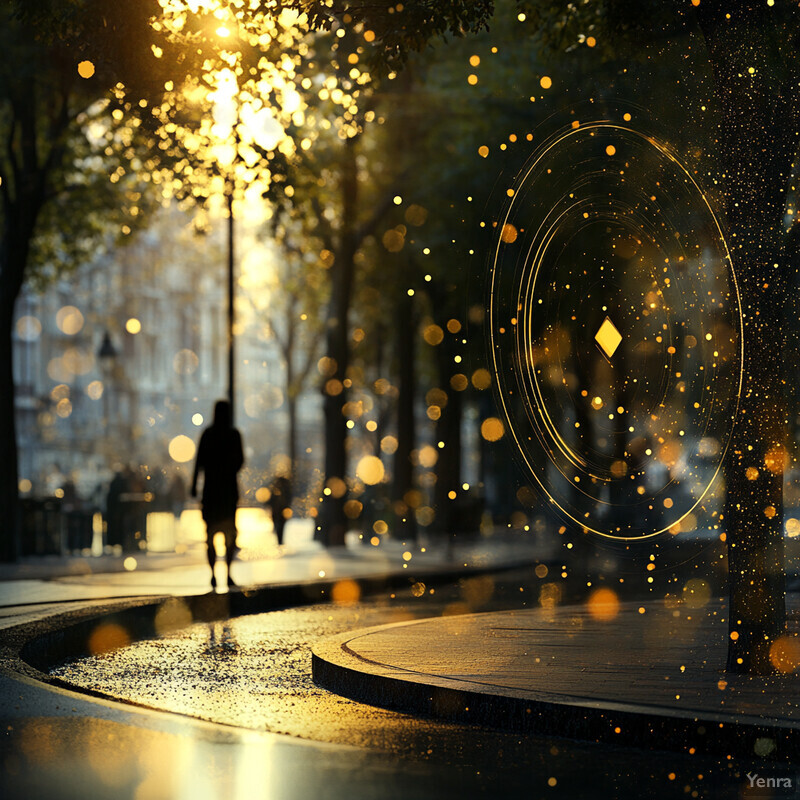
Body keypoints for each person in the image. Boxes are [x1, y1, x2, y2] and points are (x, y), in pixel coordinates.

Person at [191, 400, 244, 590]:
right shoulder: (233, 434)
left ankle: (214, 574)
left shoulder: (208, 434)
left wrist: (194, 484)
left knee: (211, 535)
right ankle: (227, 573)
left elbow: (199, 462)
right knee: (229, 535)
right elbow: (239, 462)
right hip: (227, 492)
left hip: (211, 492)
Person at [267, 474, 292, 547]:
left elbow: (270, 500)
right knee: (280, 525)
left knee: (278, 525)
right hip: (281, 510)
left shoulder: (275, 488)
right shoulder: (286, 489)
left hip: (277, 511)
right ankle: (280, 540)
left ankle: (279, 540)